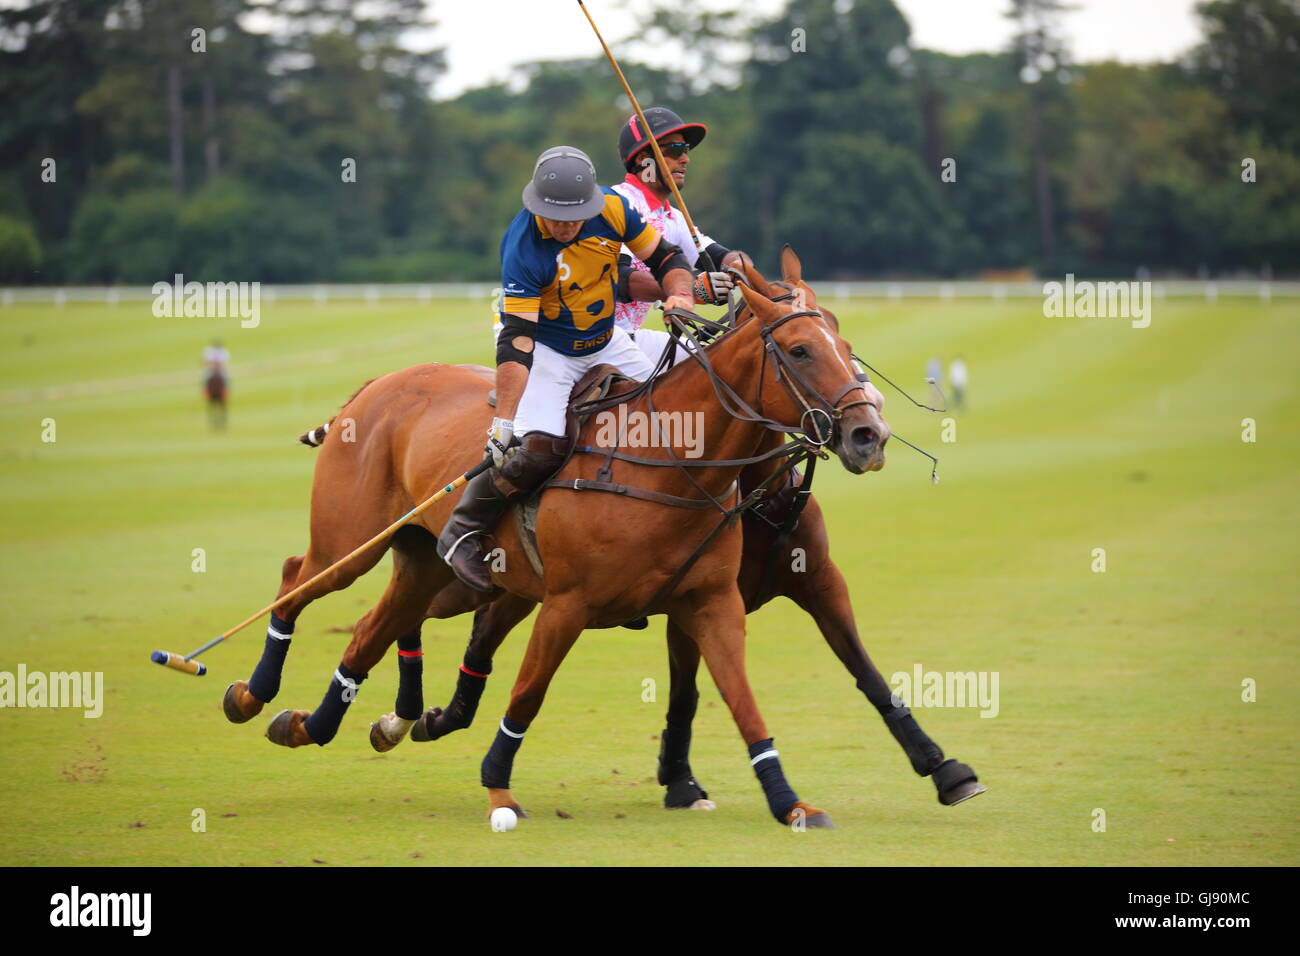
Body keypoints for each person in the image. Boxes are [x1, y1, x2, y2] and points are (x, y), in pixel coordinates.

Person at [437, 145, 695, 592]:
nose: (564, 226)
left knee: (660, 426)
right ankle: (460, 531)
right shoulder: (523, 247)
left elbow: (667, 259)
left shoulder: (614, 210)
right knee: (536, 451)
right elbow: (517, 340)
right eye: (555, 218)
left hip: (606, 339)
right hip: (547, 350)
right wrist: (503, 422)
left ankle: (638, 551)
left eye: (573, 217)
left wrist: (681, 295)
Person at [609, 107, 747, 365]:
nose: (685, 159)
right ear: (643, 159)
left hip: (627, 336)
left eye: (685, 150)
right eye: (673, 150)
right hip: (586, 338)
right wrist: (690, 291)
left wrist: (746, 273)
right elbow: (621, 280)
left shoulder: (673, 216)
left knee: (722, 366)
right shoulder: (619, 203)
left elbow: (719, 256)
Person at [203, 338, 229, 430]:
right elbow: (205, 361)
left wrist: (218, 366)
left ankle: (225, 392)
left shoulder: (224, 352)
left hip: (220, 371)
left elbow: (224, 363)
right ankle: (206, 392)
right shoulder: (208, 351)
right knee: (205, 377)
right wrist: (212, 365)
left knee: (226, 378)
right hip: (211, 370)